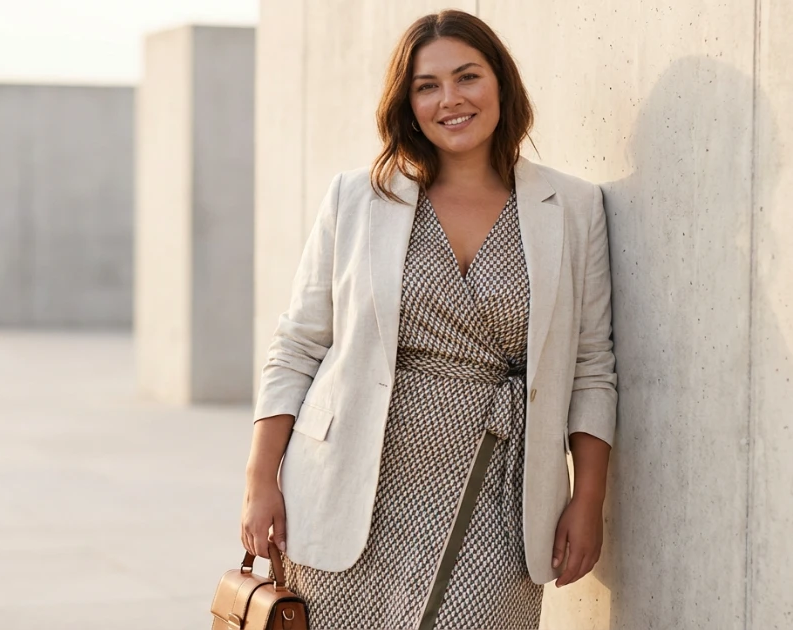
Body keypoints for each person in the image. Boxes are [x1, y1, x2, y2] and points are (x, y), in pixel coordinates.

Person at [241, 9, 617, 629]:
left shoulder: (573, 207)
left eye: (467, 76)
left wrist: (588, 498)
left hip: (499, 490)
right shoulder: (357, 197)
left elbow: (591, 366)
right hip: (352, 483)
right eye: (427, 85)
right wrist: (261, 479)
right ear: (407, 102)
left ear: (501, 82)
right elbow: (299, 345)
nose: (450, 99)